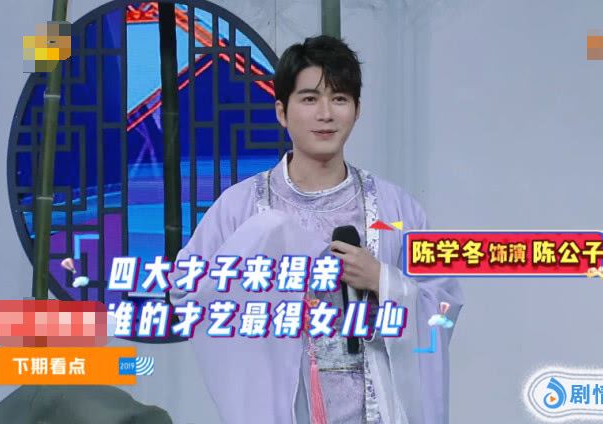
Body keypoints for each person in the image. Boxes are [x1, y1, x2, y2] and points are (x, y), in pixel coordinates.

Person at [171, 35, 464, 424]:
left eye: (339, 98)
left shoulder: (397, 209)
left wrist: (383, 281)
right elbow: (187, 292)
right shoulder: (242, 207)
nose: (326, 114)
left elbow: (442, 308)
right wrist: (263, 296)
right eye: (309, 99)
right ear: (282, 111)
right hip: (281, 409)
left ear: (357, 110)